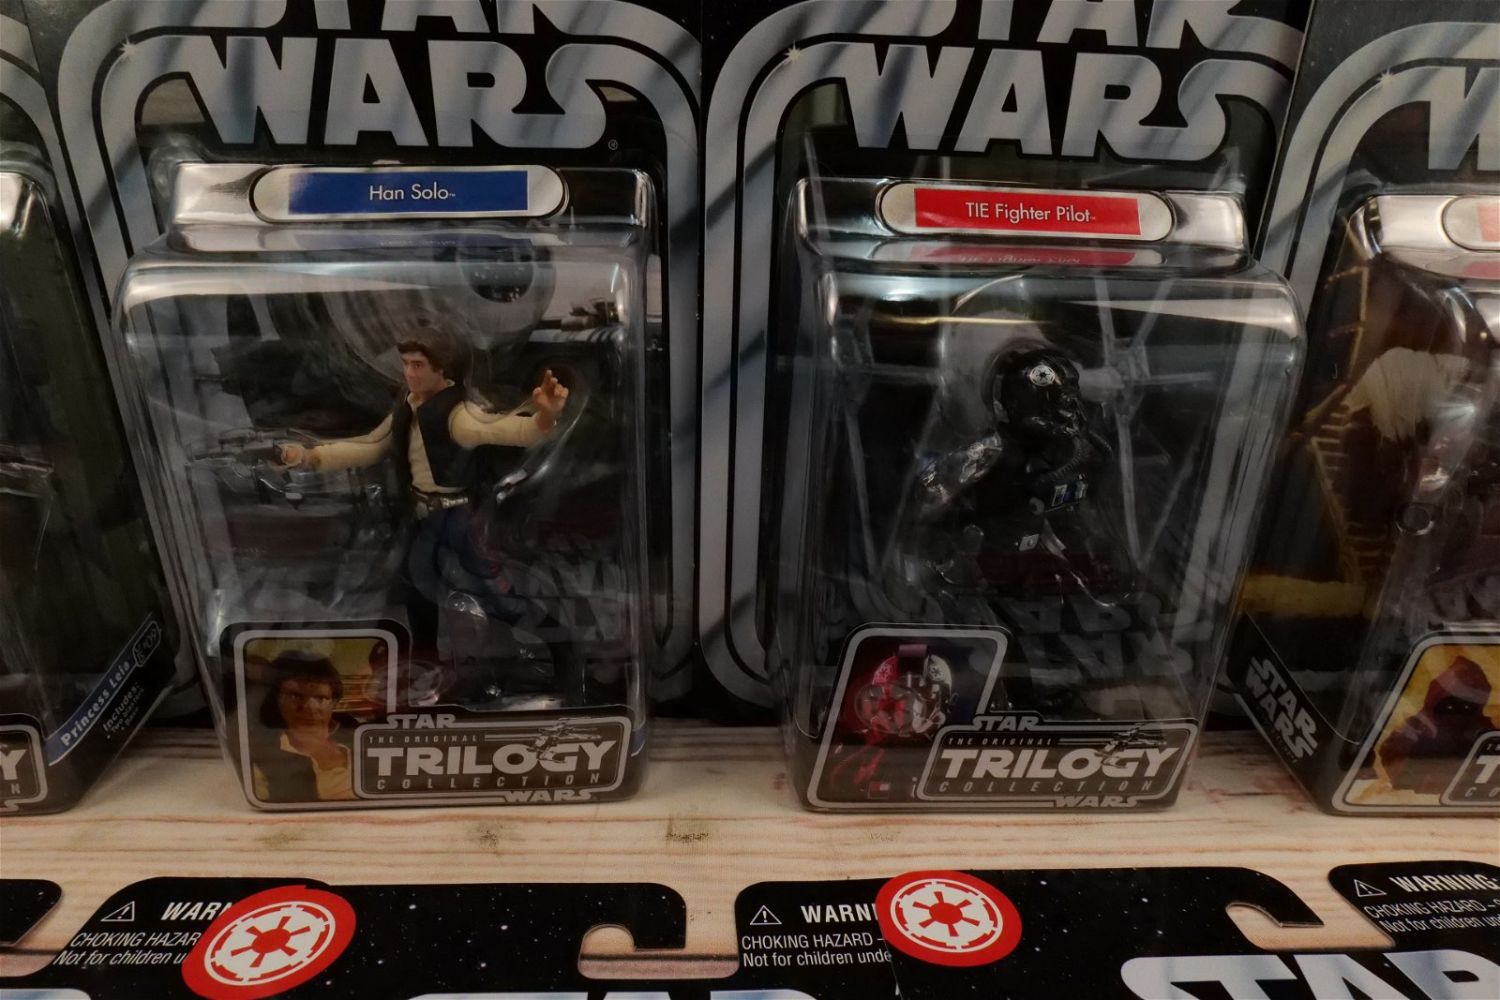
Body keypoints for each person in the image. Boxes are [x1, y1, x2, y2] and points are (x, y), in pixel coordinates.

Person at [278, 334, 576, 702]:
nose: (409, 373)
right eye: (405, 364)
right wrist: (309, 457)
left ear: (443, 370)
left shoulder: (458, 416)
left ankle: (563, 647)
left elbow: (505, 430)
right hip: (422, 517)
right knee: (418, 595)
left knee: (497, 599)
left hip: (458, 519)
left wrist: (545, 415)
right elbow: (372, 446)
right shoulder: (408, 406)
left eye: (418, 365)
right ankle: (425, 671)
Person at [252, 651, 356, 802]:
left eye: (320, 698)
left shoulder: (358, 742)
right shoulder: (262, 758)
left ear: (334, 702)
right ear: (276, 699)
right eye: (295, 696)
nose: (309, 707)